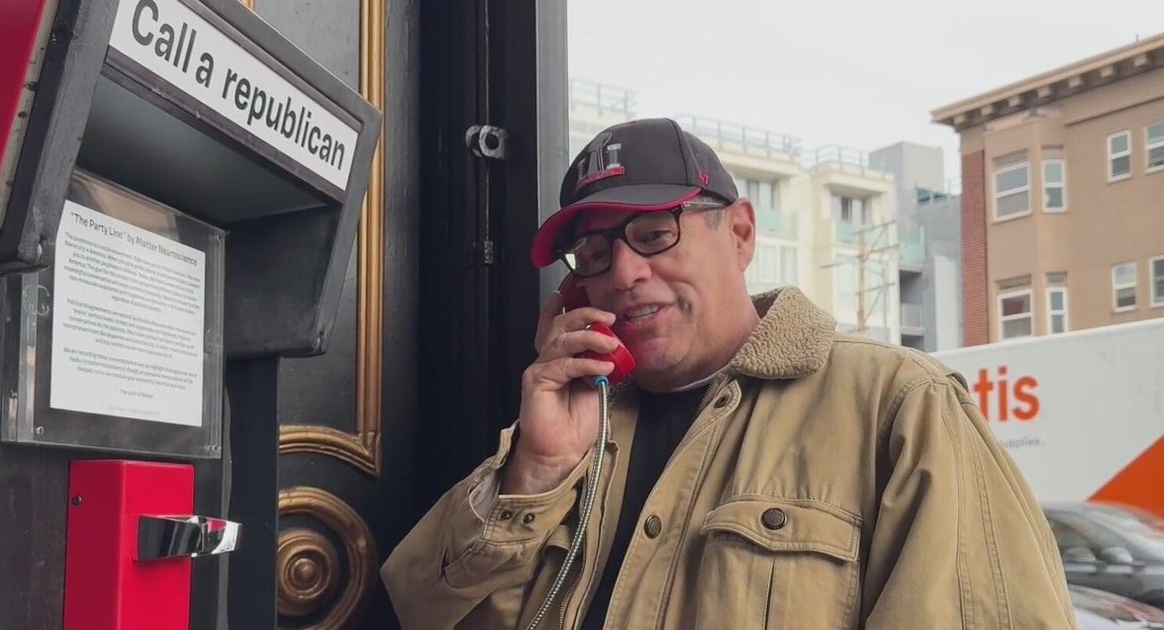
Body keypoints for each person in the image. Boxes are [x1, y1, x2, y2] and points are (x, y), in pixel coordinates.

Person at [380, 117, 1076, 629]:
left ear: (741, 234)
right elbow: (421, 611)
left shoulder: (897, 407)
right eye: (592, 255)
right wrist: (536, 470)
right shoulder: (568, 437)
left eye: (654, 234)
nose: (623, 273)